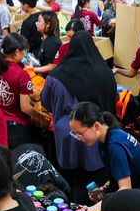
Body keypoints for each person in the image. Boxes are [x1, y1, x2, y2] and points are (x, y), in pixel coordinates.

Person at [43, 31, 119, 192]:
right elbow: (114, 99)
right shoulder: (104, 73)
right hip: (94, 135)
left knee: (69, 181)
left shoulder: (56, 76)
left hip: (66, 135)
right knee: (94, 184)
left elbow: (46, 102)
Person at [69, 102, 140, 194]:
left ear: (96, 126)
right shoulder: (108, 137)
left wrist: (97, 206)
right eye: (75, 134)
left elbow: (125, 189)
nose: (78, 138)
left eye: (80, 133)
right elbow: (119, 174)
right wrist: (104, 188)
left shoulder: (114, 145)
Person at [0, 33, 38, 148]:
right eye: (24, 51)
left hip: (0, 123)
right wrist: (40, 116)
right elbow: (25, 108)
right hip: (18, 127)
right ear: (17, 52)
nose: (25, 54)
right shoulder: (22, 74)